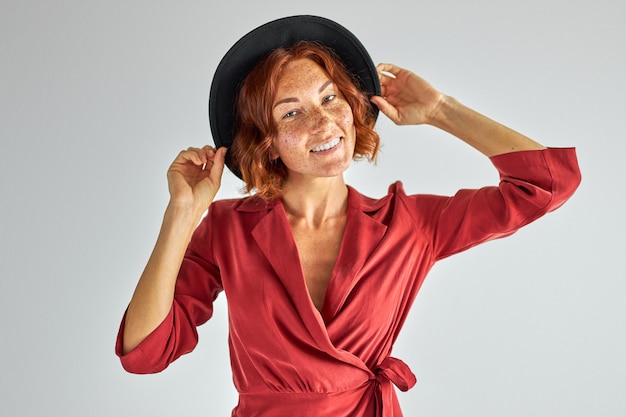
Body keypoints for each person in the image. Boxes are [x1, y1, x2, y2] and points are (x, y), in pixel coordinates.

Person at [116, 15, 581, 417]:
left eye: (330, 98)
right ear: (267, 141)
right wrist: (181, 213)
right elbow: (146, 353)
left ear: (353, 105)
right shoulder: (227, 228)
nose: (322, 123)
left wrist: (441, 110)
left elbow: (547, 184)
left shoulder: (410, 224)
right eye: (292, 113)